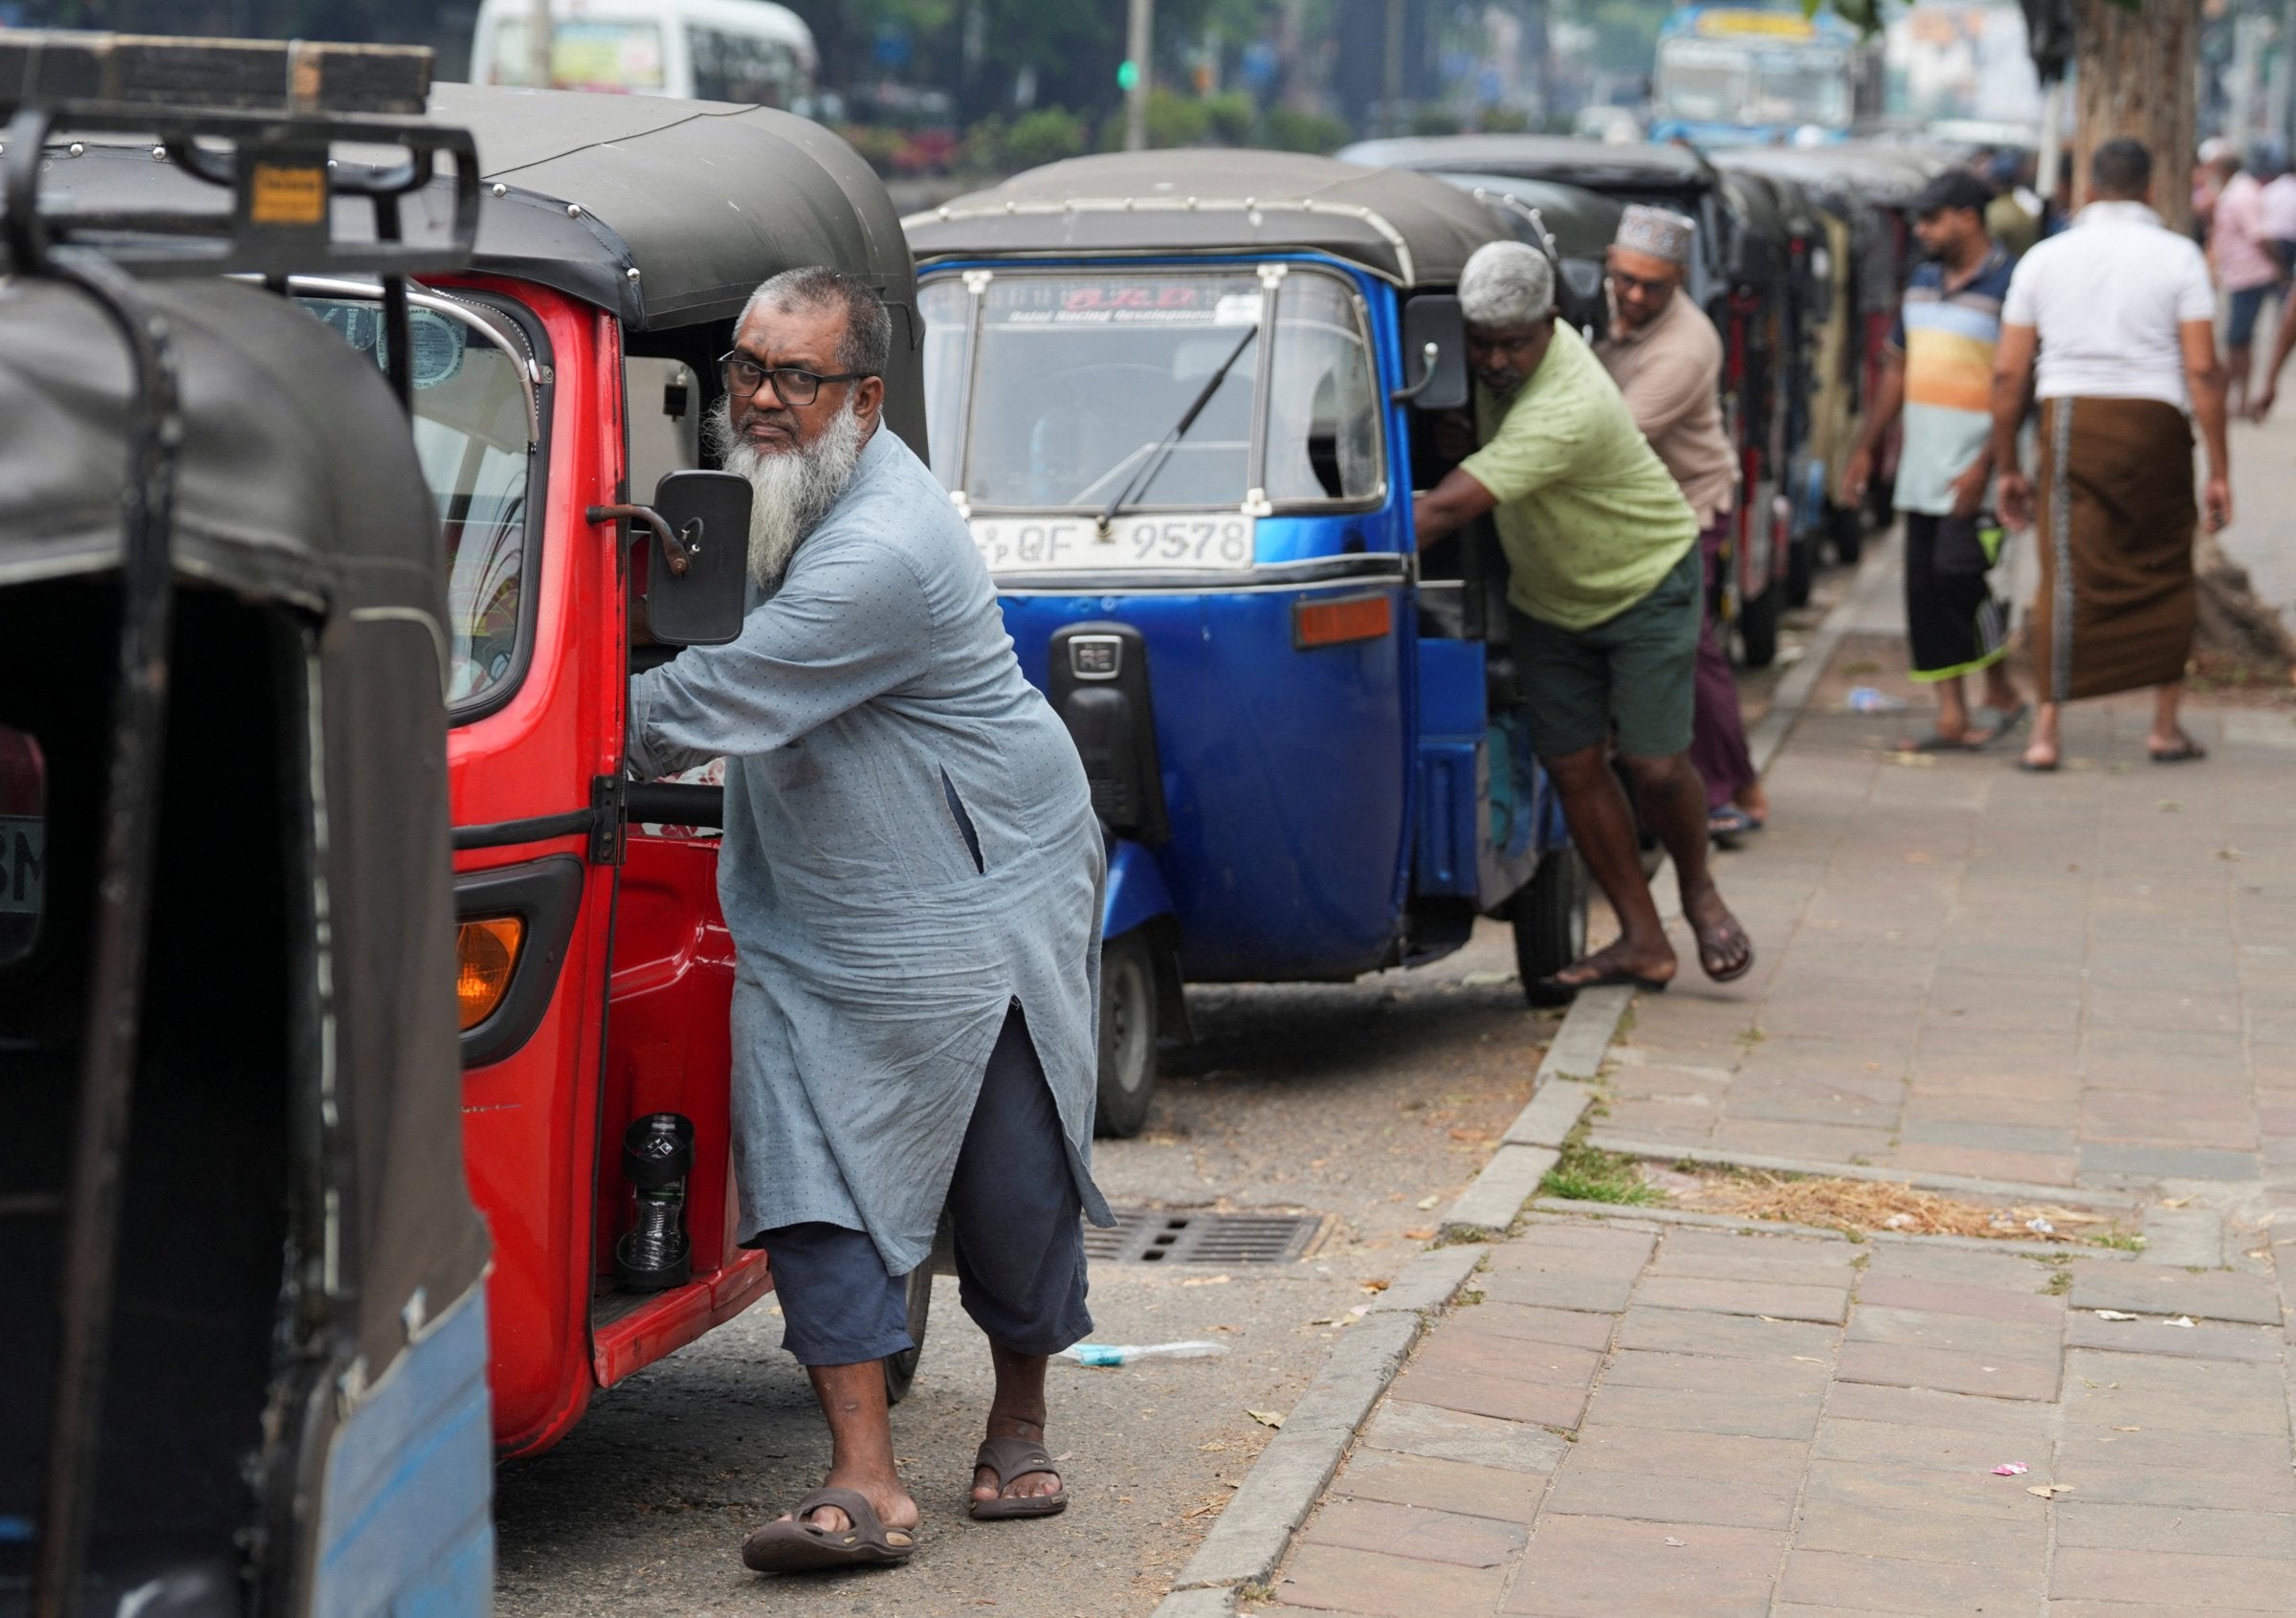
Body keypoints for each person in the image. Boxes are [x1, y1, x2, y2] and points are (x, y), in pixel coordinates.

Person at [626, 267, 1112, 1571]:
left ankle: (1018, 1414)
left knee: (1010, 1174)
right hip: (815, 905)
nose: (767, 399)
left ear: (868, 395)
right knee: (805, 1167)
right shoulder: (771, 491)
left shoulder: (889, 540)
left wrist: (538, 722)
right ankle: (865, 1478)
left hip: (981, 888)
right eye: (748, 368)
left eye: (801, 377)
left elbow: (714, 691)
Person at [1413, 240, 1754, 994]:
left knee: (1656, 766)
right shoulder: (1481, 365)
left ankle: (1698, 893)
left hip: (1645, 580)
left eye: (1514, 345)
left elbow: (1444, 509)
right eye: (1482, 344)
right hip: (1549, 598)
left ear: (1552, 324)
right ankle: (1642, 939)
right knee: (1572, 768)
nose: (1496, 361)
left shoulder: (1568, 402)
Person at [1990, 138, 2231, 771]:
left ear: (2088, 189)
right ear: (2151, 189)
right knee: (2163, 561)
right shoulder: (2180, 257)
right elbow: (2204, 371)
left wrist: (2007, 465)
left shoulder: (2044, 258)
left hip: (2071, 418)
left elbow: (2008, 377)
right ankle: (2164, 724)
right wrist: (2220, 469)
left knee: (2065, 565)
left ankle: (2046, 732)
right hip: (2157, 422)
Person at [1590, 204, 1766, 845]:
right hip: (1627, 506)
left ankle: (1721, 791)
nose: (1635, 295)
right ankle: (1731, 780)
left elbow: (1610, 440)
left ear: (1680, 282)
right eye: (1625, 279)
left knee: (1682, 645)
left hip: (1685, 505)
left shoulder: (1686, 348)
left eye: (1652, 286)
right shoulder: (1604, 311)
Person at [1843, 169, 2026, 752]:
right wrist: (1868, 447)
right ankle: (1954, 712)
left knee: (1964, 581)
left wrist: (1987, 469)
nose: (1921, 230)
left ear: (1967, 218)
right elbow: (1897, 367)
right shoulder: (1920, 283)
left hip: (1980, 472)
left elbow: (2017, 386)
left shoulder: (2011, 287)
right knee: (1925, 594)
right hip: (1921, 471)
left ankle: (1999, 689)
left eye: (1931, 219)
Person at [2209, 150, 2278, 414]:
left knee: (2237, 340)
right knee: (2239, 341)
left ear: (2223, 170)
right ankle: (2236, 400)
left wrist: (2279, 267)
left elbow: (2258, 234)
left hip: (2249, 274)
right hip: (2239, 274)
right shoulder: (2235, 191)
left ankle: (2235, 400)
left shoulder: (2241, 194)